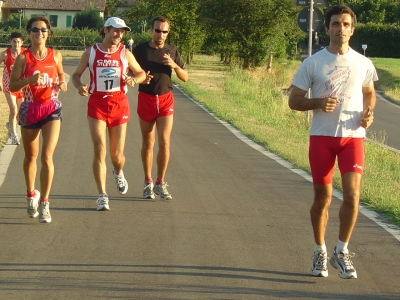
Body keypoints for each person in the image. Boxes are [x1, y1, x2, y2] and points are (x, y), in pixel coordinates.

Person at [289, 5, 377, 279]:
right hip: (322, 138)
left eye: (346, 24)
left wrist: (369, 112)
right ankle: (319, 251)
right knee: (323, 198)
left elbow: (369, 92)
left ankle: (342, 250)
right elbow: (294, 100)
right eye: (336, 24)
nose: (341, 29)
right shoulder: (312, 63)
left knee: (352, 196)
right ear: (326, 29)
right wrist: (317, 102)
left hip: (353, 138)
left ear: (352, 29)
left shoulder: (363, 63)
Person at [72, 17, 146, 211]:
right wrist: (80, 86)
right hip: (97, 104)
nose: (118, 35)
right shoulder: (91, 52)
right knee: (100, 150)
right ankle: (102, 195)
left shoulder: (125, 53)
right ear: (105, 30)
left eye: (122, 32)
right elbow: (76, 75)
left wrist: (133, 80)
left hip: (119, 104)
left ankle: (118, 172)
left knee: (117, 155)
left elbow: (141, 73)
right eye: (115, 31)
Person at [9, 16, 68, 223]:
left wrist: (62, 83)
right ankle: (30, 194)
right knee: (30, 157)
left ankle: (45, 202)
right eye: (35, 30)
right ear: (29, 33)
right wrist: (29, 80)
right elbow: (12, 86)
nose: (39, 33)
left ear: (48, 33)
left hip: (51, 109)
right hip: (30, 109)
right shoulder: (23, 58)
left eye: (43, 30)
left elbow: (62, 75)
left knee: (47, 157)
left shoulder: (56, 55)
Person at [133, 16, 188, 200]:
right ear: (151, 30)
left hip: (165, 100)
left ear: (168, 33)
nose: (161, 35)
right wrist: (141, 78)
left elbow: (185, 77)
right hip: (146, 99)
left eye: (164, 31)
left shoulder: (172, 50)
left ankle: (160, 182)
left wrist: (174, 65)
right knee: (148, 143)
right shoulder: (140, 49)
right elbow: (130, 72)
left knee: (165, 142)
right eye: (158, 31)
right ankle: (148, 182)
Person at [0, 32, 26, 145]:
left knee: (21, 112)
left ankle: (11, 126)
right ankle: (14, 135)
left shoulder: (25, 53)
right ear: (10, 42)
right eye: (14, 41)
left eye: (19, 42)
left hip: (21, 85)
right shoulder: (5, 54)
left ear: (22, 43)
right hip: (8, 84)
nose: (16, 44)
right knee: (13, 109)